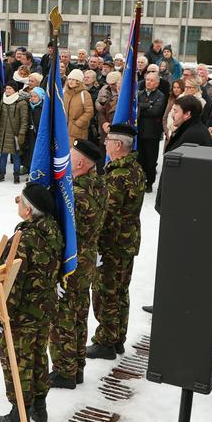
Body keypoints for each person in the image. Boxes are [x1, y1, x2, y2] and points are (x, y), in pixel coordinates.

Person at [0, 183, 63, 422]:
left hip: (22, 312)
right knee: (38, 355)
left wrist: (2, 315)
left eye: (20, 200)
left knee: (15, 359)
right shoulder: (52, 229)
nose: (16, 202)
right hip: (44, 308)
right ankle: (39, 406)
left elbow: (10, 283)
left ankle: (18, 415)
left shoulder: (23, 240)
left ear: (29, 210)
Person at [49, 139, 107, 388]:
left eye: (70, 157)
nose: (66, 160)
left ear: (81, 163)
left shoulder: (76, 195)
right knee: (79, 315)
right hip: (87, 262)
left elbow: (61, 230)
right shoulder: (99, 185)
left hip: (71, 264)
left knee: (64, 317)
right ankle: (77, 365)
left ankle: (65, 371)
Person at [88, 124, 146, 358]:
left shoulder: (117, 176)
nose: (105, 143)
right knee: (120, 290)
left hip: (112, 243)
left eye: (109, 139)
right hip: (127, 240)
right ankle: (117, 337)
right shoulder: (135, 169)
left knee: (106, 292)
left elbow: (106, 213)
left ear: (119, 145)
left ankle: (106, 341)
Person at [136, 72, 166, 192]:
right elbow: (136, 108)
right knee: (140, 159)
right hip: (139, 132)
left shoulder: (160, 95)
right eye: (147, 80)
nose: (148, 82)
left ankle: (149, 182)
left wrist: (141, 108)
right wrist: (148, 105)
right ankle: (140, 181)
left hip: (152, 133)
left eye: (151, 80)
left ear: (157, 83)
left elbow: (156, 112)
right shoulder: (139, 93)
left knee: (151, 160)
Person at [0, 83, 29, 183]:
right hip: (4, 133)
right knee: (3, 155)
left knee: (16, 156)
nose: (7, 90)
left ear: (15, 90)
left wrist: (22, 133)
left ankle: (16, 175)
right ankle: (1, 174)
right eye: (6, 88)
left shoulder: (21, 103)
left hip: (15, 134)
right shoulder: (3, 100)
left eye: (10, 88)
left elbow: (24, 120)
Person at [63, 69, 94, 146]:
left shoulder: (84, 94)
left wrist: (78, 123)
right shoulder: (63, 92)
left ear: (79, 81)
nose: (70, 81)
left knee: (75, 155)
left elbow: (89, 112)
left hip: (78, 132)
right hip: (63, 130)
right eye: (69, 79)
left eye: (74, 79)